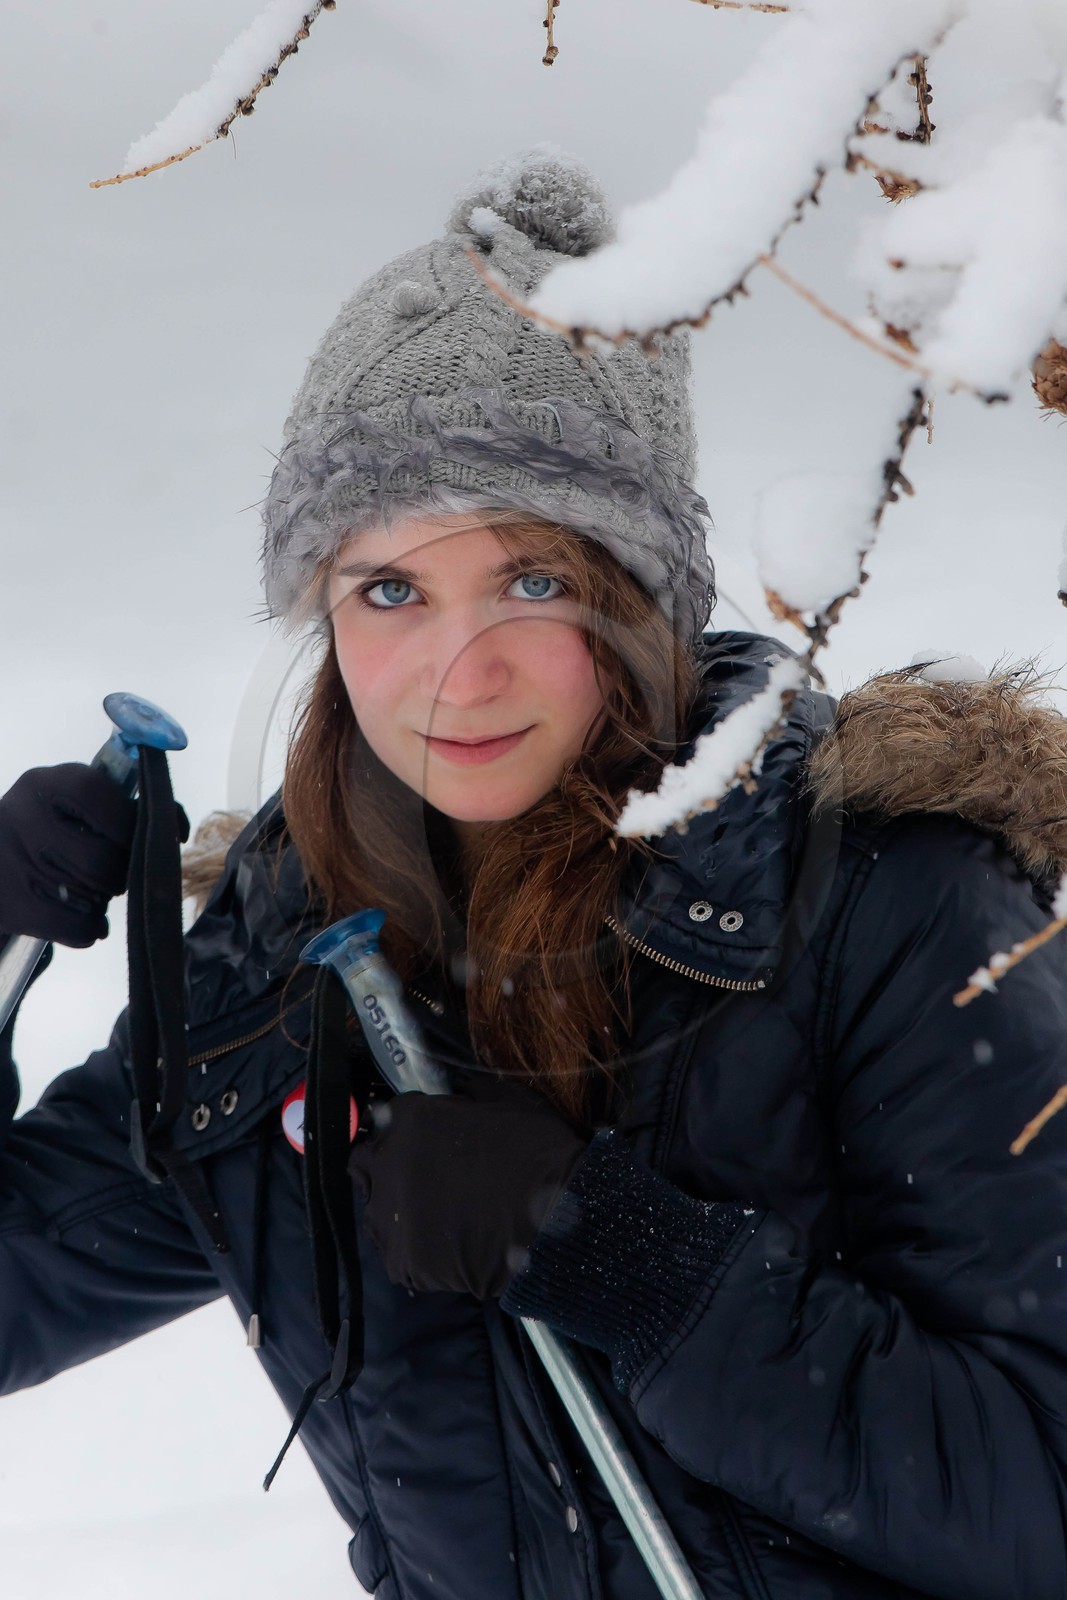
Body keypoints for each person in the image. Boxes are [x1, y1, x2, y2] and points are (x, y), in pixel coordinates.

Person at [2, 147, 1067, 1600]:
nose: (460, 668)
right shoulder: (283, 953)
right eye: (390, 590)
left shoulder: (886, 906)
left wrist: (644, 1268)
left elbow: (1040, 1495)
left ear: (639, 602)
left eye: (533, 580)